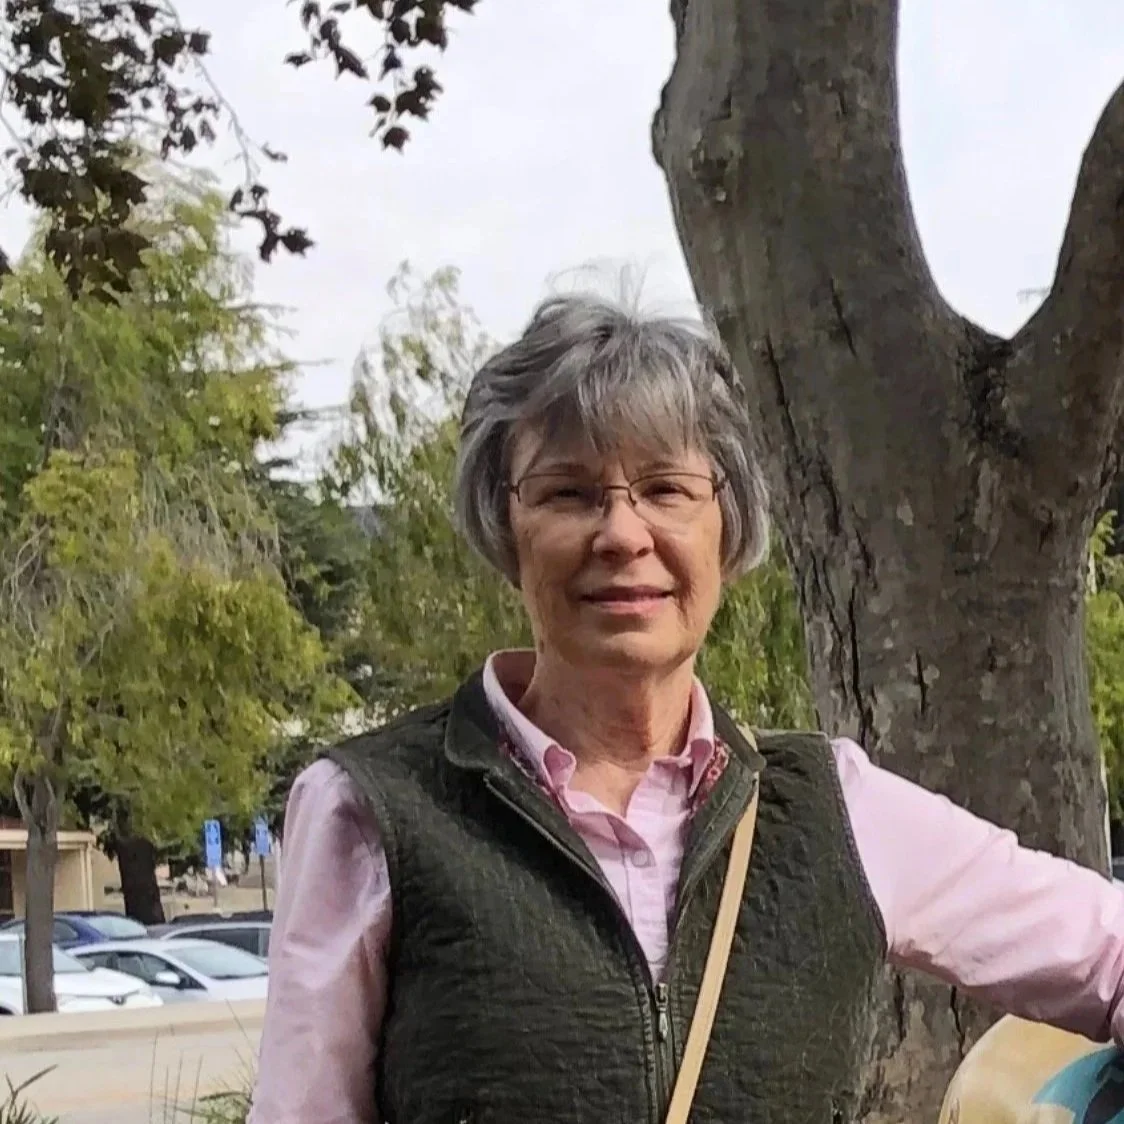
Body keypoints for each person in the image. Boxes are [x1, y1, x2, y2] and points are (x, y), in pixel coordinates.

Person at [251, 293, 1124, 1124]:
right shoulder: (374, 809)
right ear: (503, 527)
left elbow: (1104, 949)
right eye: (568, 494)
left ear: (727, 525)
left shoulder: (834, 808)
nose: (624, 535)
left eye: (667, 489)